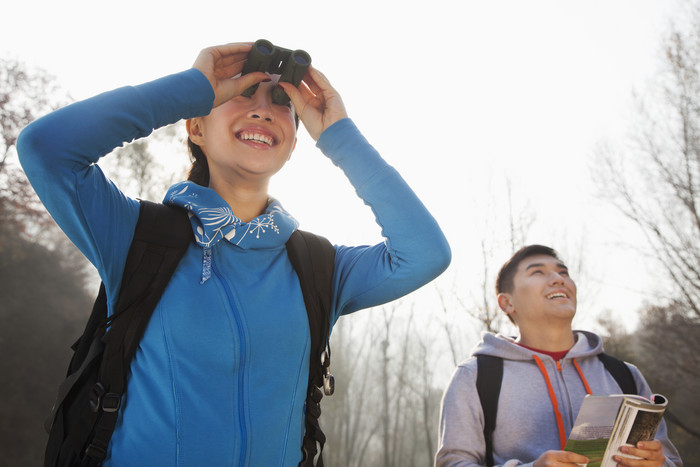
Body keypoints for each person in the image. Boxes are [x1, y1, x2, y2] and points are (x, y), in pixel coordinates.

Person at [17, 42, 451, 466]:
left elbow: (424, 253)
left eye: (282, 100)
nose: (263, 108)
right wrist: (193, 88)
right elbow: (46, 149)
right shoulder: (137, 237)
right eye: (243, 93)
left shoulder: (318, 269)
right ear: (196, 127)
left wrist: (339, 136)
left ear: (293, 144)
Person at [435, 245, 681, 467]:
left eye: (563, 273)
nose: (558, 279)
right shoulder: (475, 377)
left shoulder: (625, 374)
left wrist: (659, 464)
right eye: (538, 272)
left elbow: (671, 460)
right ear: (507, 303)